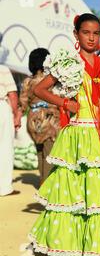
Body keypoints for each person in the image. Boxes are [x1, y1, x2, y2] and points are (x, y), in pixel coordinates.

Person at [28, 13, 100, 256]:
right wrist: (62, 103)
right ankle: (73, 243)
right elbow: (39, 89)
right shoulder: (69, 63)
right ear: (76, 35)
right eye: (86, 33)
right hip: (80, 133)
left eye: (96, 33)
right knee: (77, 191)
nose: (91, 38)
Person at [19, 48, 61, 184]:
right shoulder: (50, 80)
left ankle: (42, 181)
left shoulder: (27, 81)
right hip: (49, 119)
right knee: (50, 154)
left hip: (33, 120)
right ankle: (47, 186)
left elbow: (23, 103)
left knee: (39, 152)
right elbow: (60, 97)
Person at [0, 31, 22, 196]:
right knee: (5, 147)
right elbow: (12, 94)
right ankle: (4, 187)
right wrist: (16, 115)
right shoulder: (3, 69)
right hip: (2, 108)